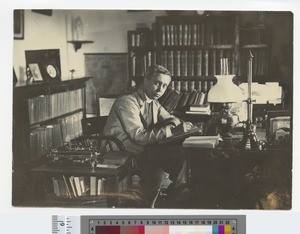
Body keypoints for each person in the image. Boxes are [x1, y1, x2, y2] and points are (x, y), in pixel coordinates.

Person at [102, 64, 193, 205]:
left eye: (165, 86)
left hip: (144, 148)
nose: (161, 90)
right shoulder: (128, 101)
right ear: (145, 80)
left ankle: (169, 198)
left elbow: (170, 118)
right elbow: (138, 136)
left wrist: (172, 125)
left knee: (182, 158)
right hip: (121, 150)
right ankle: (150, 206)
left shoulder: (153, 101)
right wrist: (172, 130)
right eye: (157, 83)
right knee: (157, 172)